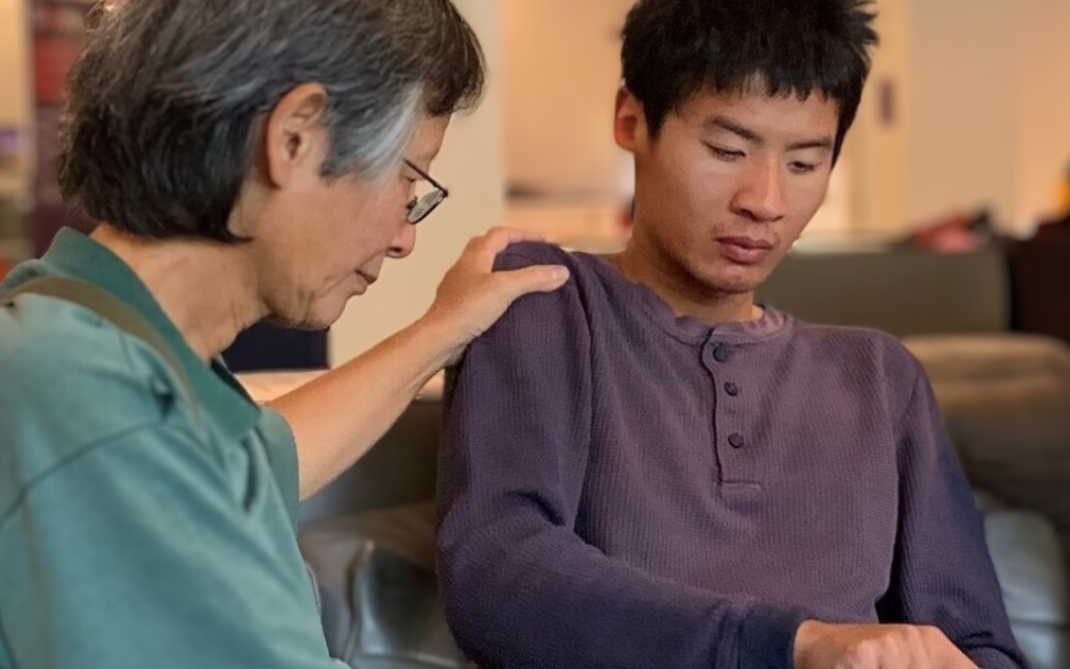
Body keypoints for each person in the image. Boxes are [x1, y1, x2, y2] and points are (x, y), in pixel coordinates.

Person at [436, 1, 1027, 669]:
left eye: (805, 164)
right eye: (727, 150)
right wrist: (795, 644)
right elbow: (497, 573)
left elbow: (980, 646)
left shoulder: (879, 375)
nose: (766, 200)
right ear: (631, 120)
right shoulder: (544, 300)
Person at [0, 1, 569, 667]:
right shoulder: (100, 411)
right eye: (408, 180)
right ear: (294, 138)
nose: (406, 236)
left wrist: (445, 327)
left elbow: (265, 458)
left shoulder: (80, 330)